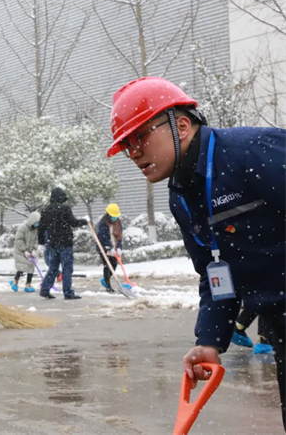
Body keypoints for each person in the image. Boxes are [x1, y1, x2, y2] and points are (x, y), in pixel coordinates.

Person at [106, 76, 286, 427]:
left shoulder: (253, 152)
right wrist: (209, 340)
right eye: (126, 144)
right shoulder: (182, 196)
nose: (134, 152)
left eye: (140, 136)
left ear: (183, 125)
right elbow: (215, 271)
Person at [38, 187, 86, 300]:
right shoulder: (65, 209)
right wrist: (84, 221)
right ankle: (68, 292)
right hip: (65, 243)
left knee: (53, 268)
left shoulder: (45, 210)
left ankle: (45, 289)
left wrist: (41, 242)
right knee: (67, 268)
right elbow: (73, 223)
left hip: (53, 244)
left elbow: (41, 228)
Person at [95, 203, 123, 293]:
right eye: (113, 216)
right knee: (107, 266)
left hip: (114, 246)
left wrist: (119, 247)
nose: (115, 218)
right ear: (108, 215)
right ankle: (108, 285)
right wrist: (109, 247)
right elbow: (102, 237)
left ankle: (105, 279)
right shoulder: (103, 223)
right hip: (104, 248)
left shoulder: (118, 222)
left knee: (114, 265)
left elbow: (120, 236)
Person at [10, 212, 40, 293]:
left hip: (30, 251)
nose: (37, 225)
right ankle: (15, 281)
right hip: (21, 250)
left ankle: (28, 284)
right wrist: (24, 250)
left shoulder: (35, 230)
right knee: (22, 266)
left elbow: (36, 240)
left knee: (31, 266)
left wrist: (34, 249)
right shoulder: (23, 228)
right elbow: (18, 240)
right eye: (36, 223)